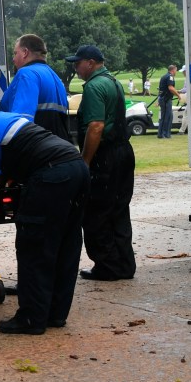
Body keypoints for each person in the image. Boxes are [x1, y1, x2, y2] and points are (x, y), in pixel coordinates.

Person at [0, 80, 89, 335]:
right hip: (75, 166)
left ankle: (31, 319)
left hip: (51, 176)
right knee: (65, 243)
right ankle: (54, 314)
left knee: (34, 246)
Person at [66, 45, 136, 281]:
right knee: (119, 210)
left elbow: (95, 126)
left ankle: (107, 266)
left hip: (105, 155)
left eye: (78, 63)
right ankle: (125, 265)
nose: (76, 68)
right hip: (124, 151)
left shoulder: (95, 86)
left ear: (90, 62)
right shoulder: (113, 81)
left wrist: (85, 161)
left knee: (97, 212)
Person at [0, 34, 71, 142]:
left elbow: (21, 122)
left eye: (15, 53)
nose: (13, 59)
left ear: (25, 52)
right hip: (59, 148)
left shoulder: (26, 74)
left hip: (37, 150)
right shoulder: (54, 76)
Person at [157, 64, 178, 139]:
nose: (176, 72)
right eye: (176, 70)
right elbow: (170, 88)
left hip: (162, 98)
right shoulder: (170, 77)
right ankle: (164, 134)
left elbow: (162, 89)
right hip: (166, 99)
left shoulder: (164, 76)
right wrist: (178, 95)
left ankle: (162, 133)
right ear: (172, 70)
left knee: (166, 116)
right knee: (167, 116)